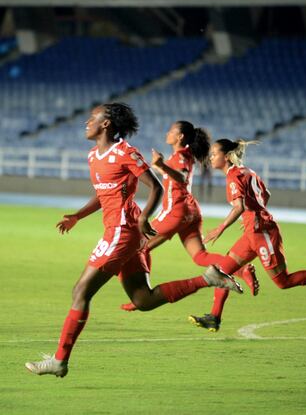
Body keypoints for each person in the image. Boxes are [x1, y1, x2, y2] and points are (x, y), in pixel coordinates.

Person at [25, 104, 242, 378]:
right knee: (143, 299)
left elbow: (156, 187)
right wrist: (78, 216)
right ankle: (208, 278)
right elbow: (103, 195)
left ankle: (59, 361)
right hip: (119, 231)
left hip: (122, 231)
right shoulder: (94, 155)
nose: (87, 122)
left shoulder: (125, 152)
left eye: (93, 118)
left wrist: (143, 219)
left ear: (106, 124)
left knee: (81, 292)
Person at [189, 138, 306, 332]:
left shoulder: (233, 177)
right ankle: (214, 317)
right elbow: (265, 194)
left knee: (283, 282)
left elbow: (239, 206)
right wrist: (253, 214)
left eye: (214, 153)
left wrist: (221, 228)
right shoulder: (247, 171)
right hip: (253, 232)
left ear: (226, 157)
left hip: (263, 233)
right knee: (223, 271)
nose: (211, 157)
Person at [121, 121, 258, 312]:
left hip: (175, 212)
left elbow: (181, 177)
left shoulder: (180, 157)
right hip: (190, 212)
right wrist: (156, 166)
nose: (167, 133)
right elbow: (171, 174)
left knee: (137, 248)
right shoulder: (184, 156)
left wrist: (161, 165)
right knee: (200, 256)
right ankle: (242, 270)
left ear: (180, 137)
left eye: (171, 131)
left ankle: (143, 296)